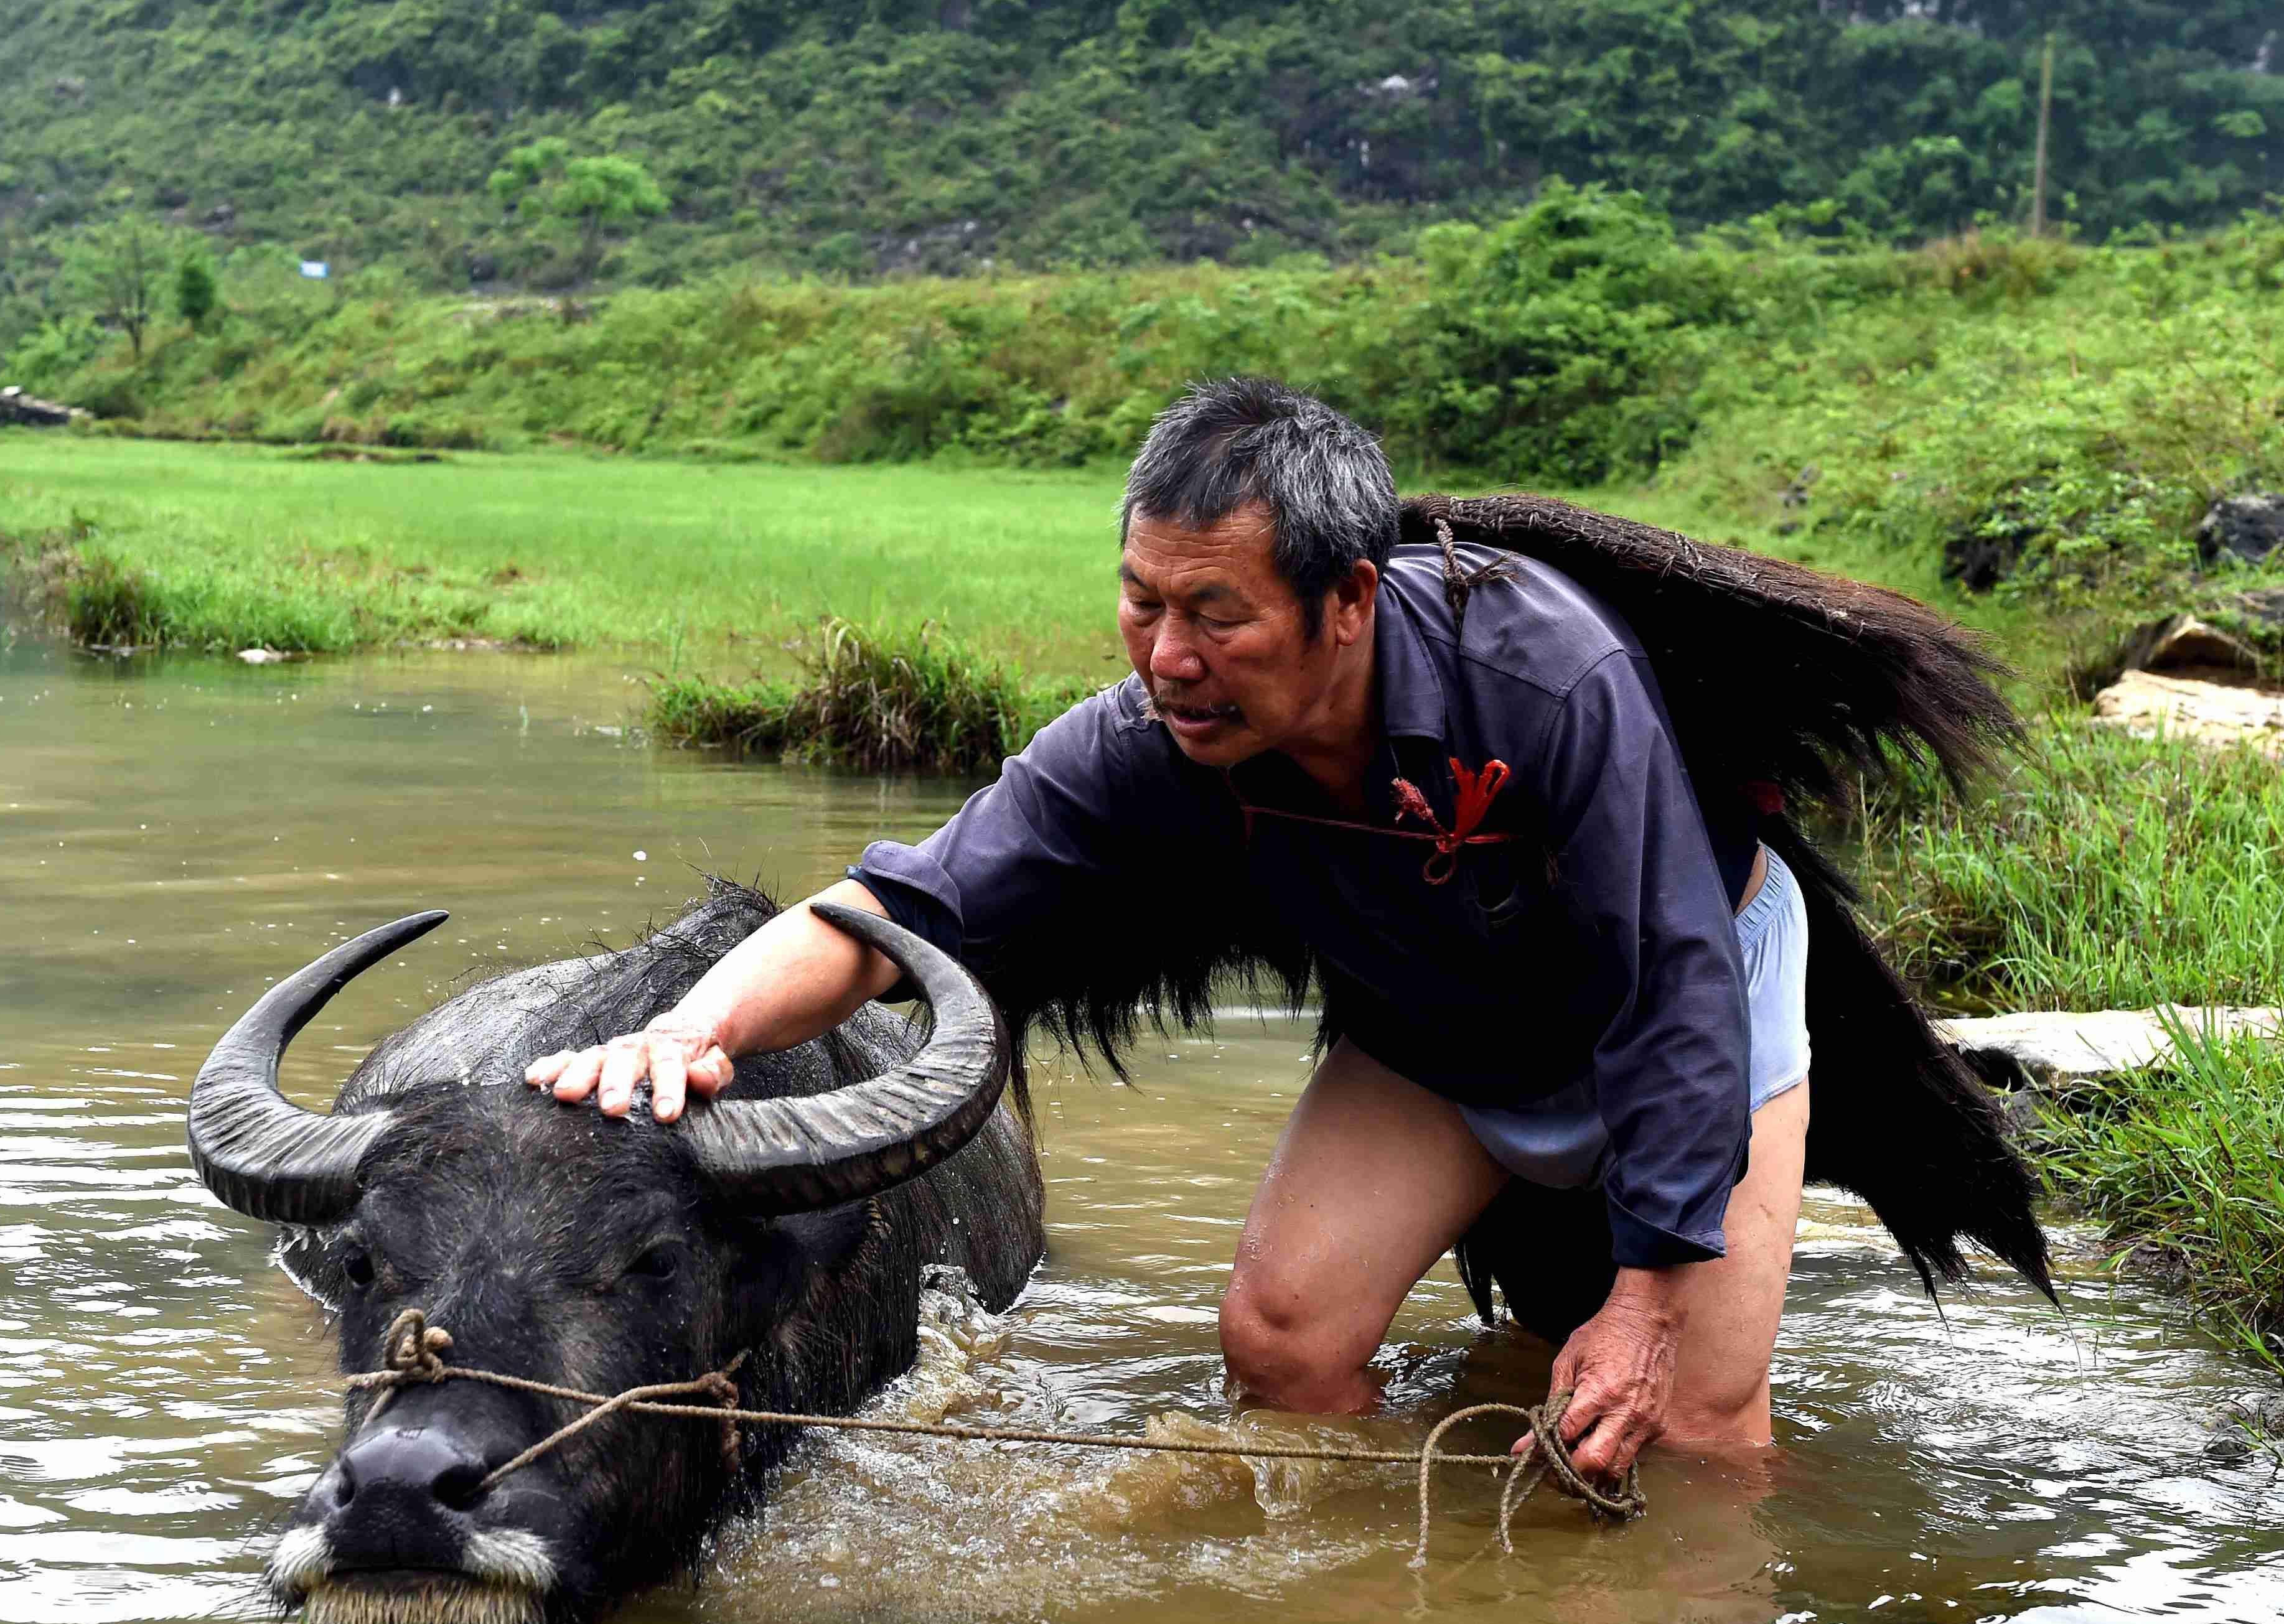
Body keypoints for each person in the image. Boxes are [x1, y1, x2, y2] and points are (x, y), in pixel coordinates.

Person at [528, 378, 1813, 1484]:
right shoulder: (1147, 740)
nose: (1168, 657)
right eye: (1142, 601)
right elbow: (891, 915)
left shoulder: (1544, 679)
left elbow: (1672, 988)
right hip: (1440, 1010)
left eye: (1216, 613)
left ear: (1350, 599)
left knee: (1690, 1412)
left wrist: (1645, 1299)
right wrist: (692, 1025)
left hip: (1682, 982)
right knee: (1282, 1340)